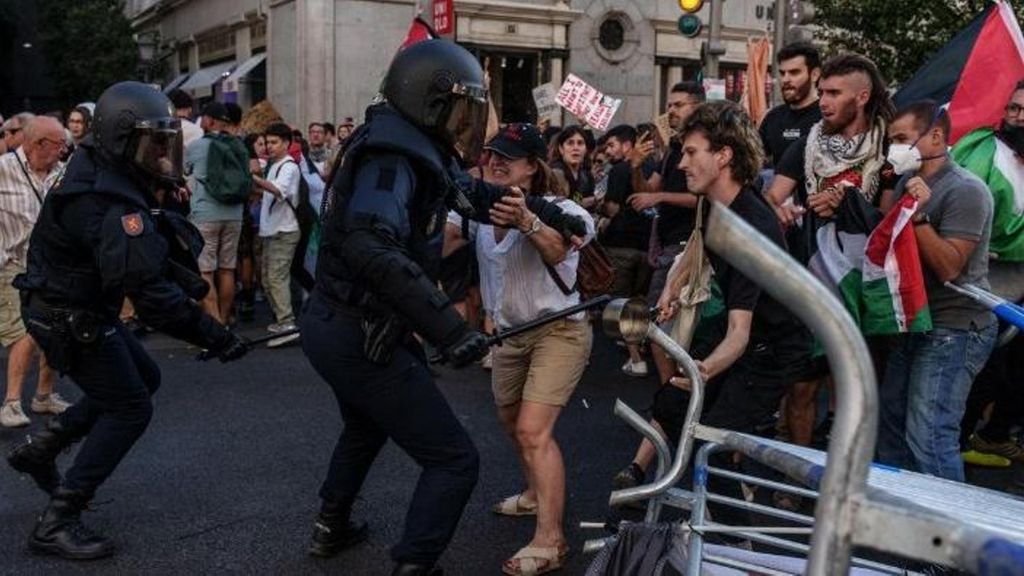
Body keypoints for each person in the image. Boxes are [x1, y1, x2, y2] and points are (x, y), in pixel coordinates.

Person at [300, 39, 585, 576]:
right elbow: (370, 246)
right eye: (460, 109)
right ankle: (414, 563)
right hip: (358, 331)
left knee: (365, 427)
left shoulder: (408, 145)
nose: (465, 123)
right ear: (429, 101)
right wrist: (450, 329)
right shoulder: (393, 158)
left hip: (340, 324)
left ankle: (330, 525)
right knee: (453, 461)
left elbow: (475, 195)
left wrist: (550, 212)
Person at [5, 81, 248, 560]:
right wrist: (214, 335)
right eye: (154, 142)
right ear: (121, 139)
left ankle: (42, 450)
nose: (162, 152)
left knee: (143, 377)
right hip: (69, 314)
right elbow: (150, 295)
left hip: (76, 306)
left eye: (165, 141)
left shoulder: (104, 171)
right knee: (130, 407)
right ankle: (58, 518)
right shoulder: (105, 199)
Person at [647, 101, 812, 524]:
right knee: (670, 405)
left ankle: (738, 545)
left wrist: (703, 369)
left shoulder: (750, 226)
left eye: (691, 152)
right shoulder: (711, 201)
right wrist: (671, 286)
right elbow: (696, 248)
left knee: (710, 447)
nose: (680, 163)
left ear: (723, 156)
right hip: (746, 340)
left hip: (774, 349)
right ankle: (732, 487)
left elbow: (740, 332)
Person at [479, 123, 595, 575]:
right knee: (511, 423)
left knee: (533, 430)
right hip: (508, 335)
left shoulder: (564, 209)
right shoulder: (479, 205)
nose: (494, 162)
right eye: (490, 154)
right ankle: (532, 495)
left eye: (506, 157)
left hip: (559, 330)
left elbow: (559, 248)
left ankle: (551, 541)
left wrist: (527, 220)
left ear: (533, 166)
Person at [877, 101, 996, 482]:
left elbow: (949, 267)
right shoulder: (903, 183)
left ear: (936, 137)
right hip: (913, 320)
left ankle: (951, 533)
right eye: (891, 140)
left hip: (955, 325)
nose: (895, 148)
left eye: (902, 139)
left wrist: (920, 214)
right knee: (892, 427)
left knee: (930, 435)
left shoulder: (966, 191)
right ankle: (903, 529)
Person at [627, 81, 705, 388]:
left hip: (689, 246)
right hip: (668, 246)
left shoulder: (704, 147)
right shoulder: (673, 148)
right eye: (669, 104)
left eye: (678, 105)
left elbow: (704, 197)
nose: (670, 111)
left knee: (664, 328)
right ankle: (671, 395)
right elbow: (648, 189)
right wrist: (635, 167)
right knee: (659, 327)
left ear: (697, 108)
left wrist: (660, 199)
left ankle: (673, 397)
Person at [0, 116, 70, 428]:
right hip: (11, 264)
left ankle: (43, 396)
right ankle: (11, 403)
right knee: (24, 332)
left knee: (53, 329)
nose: (64, 150)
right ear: (38, 145)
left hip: (50, 264)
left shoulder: (62, 172)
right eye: (59, 144)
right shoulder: (3, 169)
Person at [599, 124, 653, 377]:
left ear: (627, 145)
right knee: (641, 301)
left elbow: (612, 209)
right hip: (648, 246)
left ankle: (635, 357)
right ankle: (640, 344)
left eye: (611, 145)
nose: (608, 151)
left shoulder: (619, 170)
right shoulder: (652, 168)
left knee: (622, 303)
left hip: (621, 246)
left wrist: (600, 204)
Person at [252, 122, 302, 337]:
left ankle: (287, 323)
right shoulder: (274, 165)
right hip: (272, 230)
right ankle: (281, 320)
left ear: (286, 144)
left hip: (285, 230)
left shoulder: (289, 167)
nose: (269, 147)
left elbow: (278, 191)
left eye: (274, 142)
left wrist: (253, 177)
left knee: (276, 278)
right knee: (267, 278)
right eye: (267, 142)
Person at [758, 42, 822, 170]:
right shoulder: (773, 117)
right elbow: (753, 158)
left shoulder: (827, 116)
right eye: (782, 73)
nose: (785, 79)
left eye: (794, 73)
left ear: (814, 74)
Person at [550, 126, 595, 207]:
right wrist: (584, 202)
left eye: (580, 143)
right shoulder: (556, 172)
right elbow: (561, 207)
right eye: (570, 143)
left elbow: (577, 198)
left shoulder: (585, 175)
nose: (576, 148)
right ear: (561, 149)